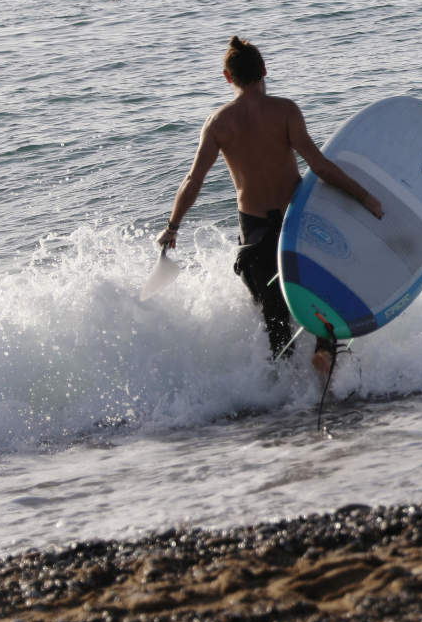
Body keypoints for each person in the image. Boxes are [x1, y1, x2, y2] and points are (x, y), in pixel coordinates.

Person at [159, 36, 383, 377]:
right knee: (319, 295)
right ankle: (326, 356)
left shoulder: (218, 123)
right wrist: (364, 197)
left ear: (227, 77)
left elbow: (194, 181)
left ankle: (286, 405)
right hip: (296, 221)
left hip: (255, 233)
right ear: (264, 70)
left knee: (274, 318)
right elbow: (320, 167)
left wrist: (173, 227)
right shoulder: (285, 111)